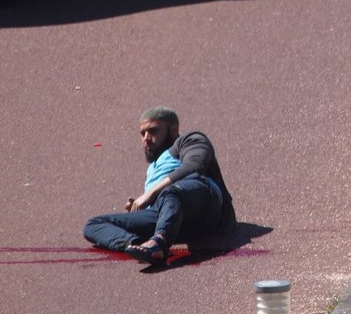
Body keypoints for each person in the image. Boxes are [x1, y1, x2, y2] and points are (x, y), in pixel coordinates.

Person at [83, 106, 236, 265]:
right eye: (142, 133)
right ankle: (139, 245)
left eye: (153, 131)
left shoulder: (189, 140)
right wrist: (137, 209)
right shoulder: (153, 168)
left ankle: (159, 243)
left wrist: (150, 194)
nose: (146, 138)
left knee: (170, 192)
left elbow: (195, 165)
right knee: (94, 224)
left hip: (202, 204)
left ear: (173, 129)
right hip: (170, 218)